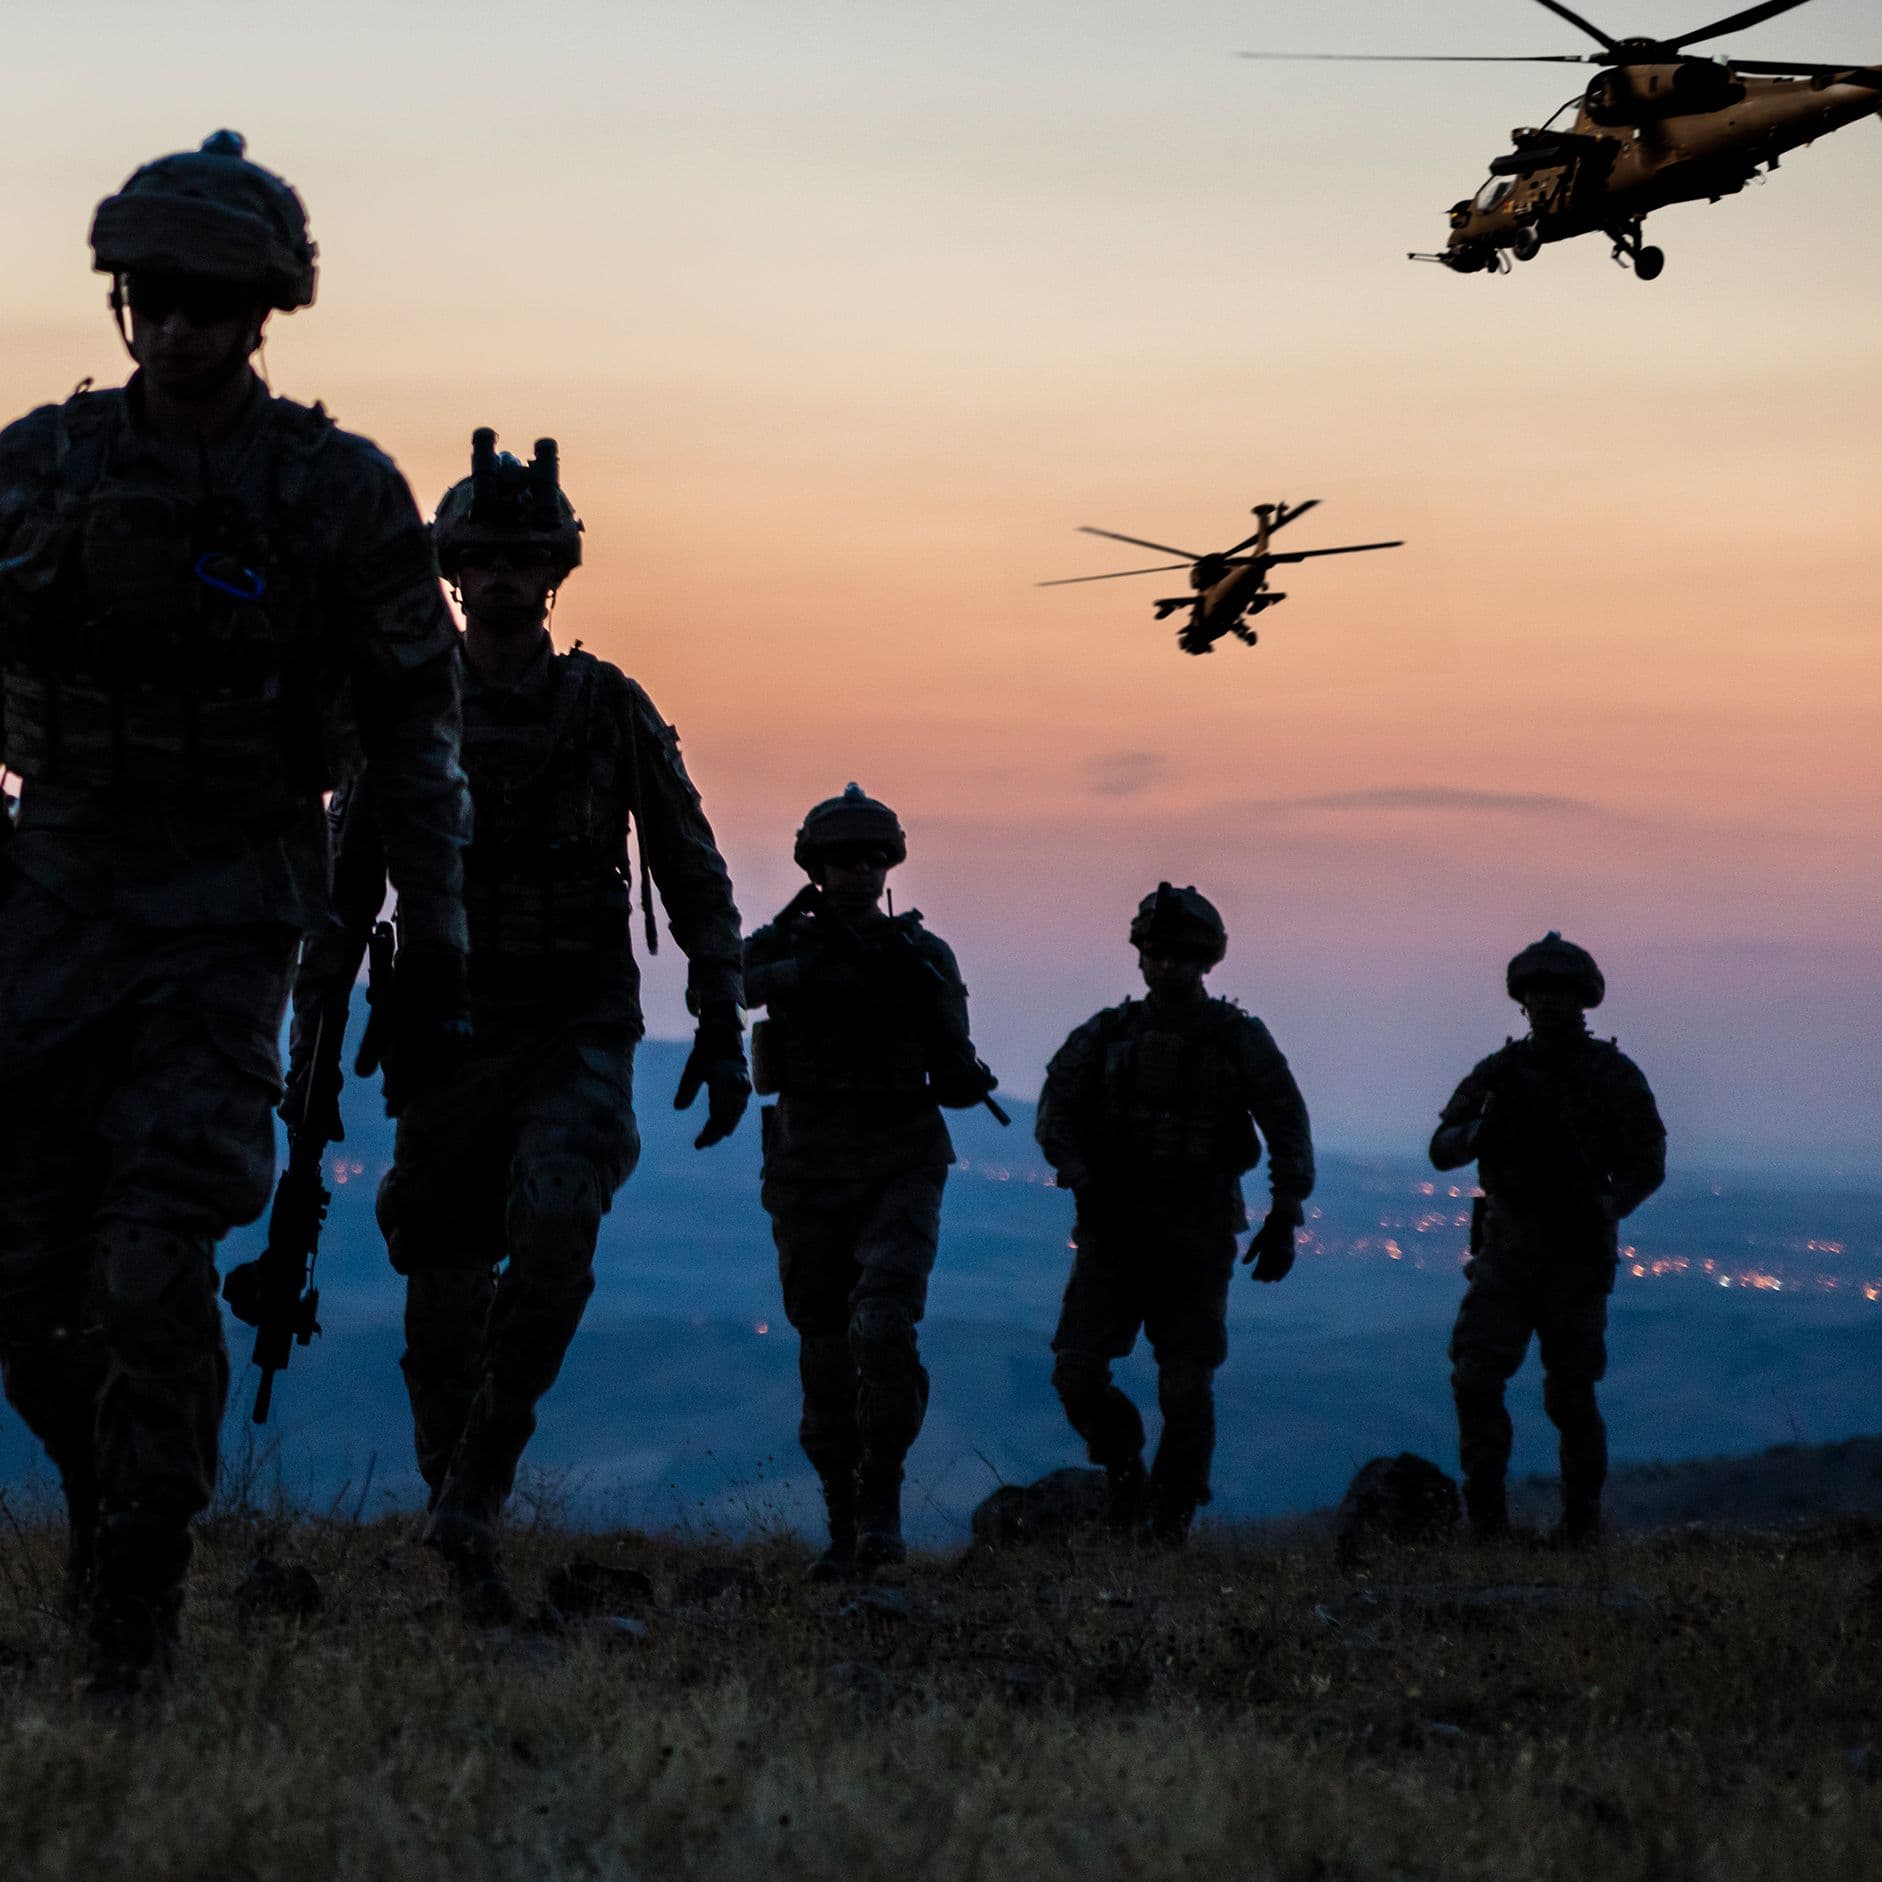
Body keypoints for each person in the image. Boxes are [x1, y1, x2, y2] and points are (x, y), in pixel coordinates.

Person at [0, 133, 471, 1693]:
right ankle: (101, 1492)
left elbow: (416, 730)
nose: (182, 324)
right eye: (157, 295)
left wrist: (436, 946)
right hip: (53, 891)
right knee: (26, 1276)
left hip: (227, 905)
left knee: (150, 1260)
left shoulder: (334, 494)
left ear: (262, 311)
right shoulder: (44, 466)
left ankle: (136, 1606)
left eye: (212, 298)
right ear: (125, 300)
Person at [284, 429, 749, 1620]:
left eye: (523, 557)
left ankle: (480, 1483)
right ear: (452, 569)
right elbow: (343, 901)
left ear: (556, 573)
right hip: (444, 1028)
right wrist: (312, 1062)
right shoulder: (410, 712)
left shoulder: (605, 705)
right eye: (481, 557)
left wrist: (718, 1011)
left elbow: (691, 868)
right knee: (442, 1281)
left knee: (557, 1215)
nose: (500, 576)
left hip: (576, 1020)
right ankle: (460, 1523)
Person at [744, 785, 998, 1574]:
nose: (859, 871)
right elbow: (721, 991)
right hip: (809, 1165)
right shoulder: (777, 949)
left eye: (872, 858)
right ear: (815, 867)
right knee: (823, 1352)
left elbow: (955, 1070)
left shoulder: (921, 954)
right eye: (843, 859)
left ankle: (882, 1512)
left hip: (899, 1159)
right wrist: (801, 976)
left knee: (882, 1330)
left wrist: (944, 1045)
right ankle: (844, 1527)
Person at [1035, 884, 1314, 1543]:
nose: (1169, 967)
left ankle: (1170, 1519)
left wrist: (1286, 1212)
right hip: (1114, 1231)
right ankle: (1126, 1469)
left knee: (1186, 1384)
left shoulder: (1237, 1039)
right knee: (1076, 1371)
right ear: (1140, 957)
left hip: (1197, 1230)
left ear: (1207, 961)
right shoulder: (1105, 1036)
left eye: (1183, 956)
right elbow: (1055, 1116)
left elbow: (1285, 1122)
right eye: (1158, 954)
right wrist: (1081, 1177)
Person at [1431, 932, 1666, 1545]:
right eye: (1537, 992)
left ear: (1582, 1000)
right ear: (1522, 999)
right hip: (1505, 1256)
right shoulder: (1500, 1073)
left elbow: (1648, 1161)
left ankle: (1581, 1528)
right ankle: (1487, 1527)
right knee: (1476, 1378)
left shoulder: (1611, 1075)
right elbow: (1442, 1147)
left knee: (1571, 1393)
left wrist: (1606, 1207)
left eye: (1560, 993)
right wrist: (1485, 1130)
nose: (1548, 1003)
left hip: (1575, 1258)